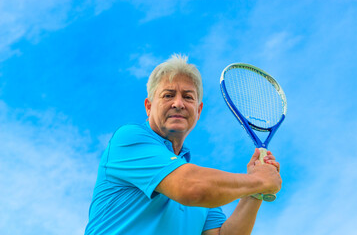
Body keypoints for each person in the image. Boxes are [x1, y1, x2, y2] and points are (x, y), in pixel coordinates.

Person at [84, 54, 282, 235]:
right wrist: (259, 180)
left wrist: (255, 193)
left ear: (198, 110)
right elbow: (190, 187)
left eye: (188, 97)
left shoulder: (205, 185)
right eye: (168, 95)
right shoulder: (129, 138)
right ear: (149, 107)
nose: (178, 103)